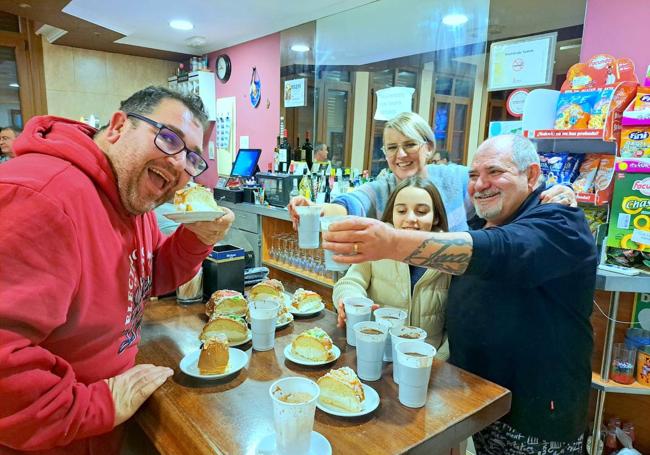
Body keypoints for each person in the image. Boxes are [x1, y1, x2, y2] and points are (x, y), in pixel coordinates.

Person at [322, 134, 597, 454]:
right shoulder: (484, 221)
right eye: (473, 175)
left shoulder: (559, 220)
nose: (481, 184)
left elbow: (503, 251)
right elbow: (389, 185)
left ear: (532, 175)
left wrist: (392, 243)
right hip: (479, 399)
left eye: (495, 172)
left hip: (534, 414)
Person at [0, 86, 235, 454]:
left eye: (192, 158)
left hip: (98, 432)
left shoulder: (130, 200)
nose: (179, 164)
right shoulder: (41, 197)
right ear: (118, 126)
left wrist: (197, 238)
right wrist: (100, 405)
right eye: (169, 138)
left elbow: (147, 278)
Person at [289, 112, 575, 233]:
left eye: (409, 144)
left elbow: (505, 188)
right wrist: (315, 209)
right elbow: (352, 203)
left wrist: (559, 190)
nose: (400, 155)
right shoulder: (385, 186)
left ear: (428, 147)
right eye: (391, 148)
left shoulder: (457, 178)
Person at [333, 176, 450, 359]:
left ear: (435, 217)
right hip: (376, 353)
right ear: (392, 214)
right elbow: (349, 282)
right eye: (401, 210)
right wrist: (350, 300)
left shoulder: (449, 256)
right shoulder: (376, 247)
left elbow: (458, 322)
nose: (410, 219)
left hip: (427, 363)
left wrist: (438, 361)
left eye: (421, 211)